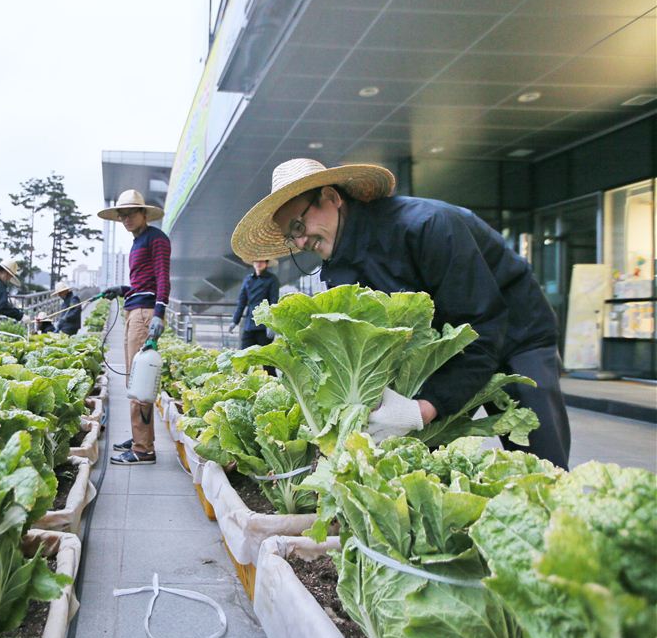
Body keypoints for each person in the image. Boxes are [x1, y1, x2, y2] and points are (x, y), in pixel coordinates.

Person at [231, 158, 571, 469]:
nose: (300, 242)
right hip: (445, 353)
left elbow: (482, 325)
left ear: (331, 197)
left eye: (298, 226)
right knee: (423, 465)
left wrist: (426, 406)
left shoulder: (427, 226)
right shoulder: (340, 266)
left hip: (516, 336)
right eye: (292, 237)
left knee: (541, 462)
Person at [98, 189, 171, 466]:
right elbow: (143, 284)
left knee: (138, 381)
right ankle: (140, 436)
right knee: (134, 378)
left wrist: (159, 314)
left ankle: (143, 449)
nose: (126, 219)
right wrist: (122, 289)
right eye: (122, 215)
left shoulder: (156, 239)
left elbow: (162, 278)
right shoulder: (137, 241)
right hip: (134, 309)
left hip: (144, 314)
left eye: (131, 213)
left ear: (144, 213)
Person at [229, 258, 280, 375]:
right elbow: (241, 303)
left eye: (262, 261)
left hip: (264, 327)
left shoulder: (272, 280)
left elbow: (274, 302)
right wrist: (234, 321)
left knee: (267, 362)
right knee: (243, 358)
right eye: (256, 261)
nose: (259, 263)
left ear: (267, 263)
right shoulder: (248, 280)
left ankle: (275, 386)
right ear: (253, 263)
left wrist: (271, 324)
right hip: (249, 325)